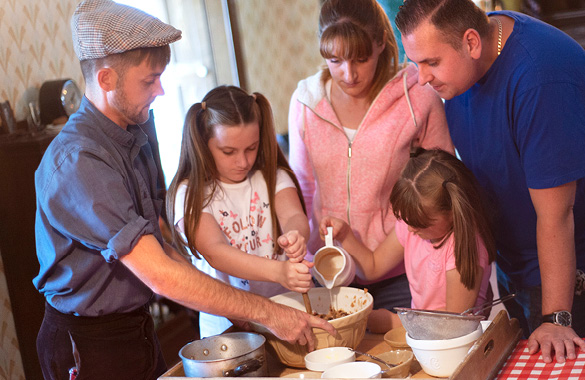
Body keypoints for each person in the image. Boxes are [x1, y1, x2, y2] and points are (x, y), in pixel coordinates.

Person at [33, 1, 333, 379]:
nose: (160, 90)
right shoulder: (80, 161)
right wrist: (268, 312)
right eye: (149, 80)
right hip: (88, 342)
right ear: (106, 79)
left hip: (136, 328)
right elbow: (158, 272)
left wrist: (253, 313)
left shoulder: (132, 138)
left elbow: (164, 250)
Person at [395, 0, 585, 364]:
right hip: (517, 260)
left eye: (431, 62)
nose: (422, 77)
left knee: (570, 366)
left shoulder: (541, 77)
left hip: (574, 267)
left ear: (472, 43)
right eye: (415, 62)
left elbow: (557, 214)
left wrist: (556, 317)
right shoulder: (463, 61)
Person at [288, 0, 455, 329]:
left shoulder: (416, 95)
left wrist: (389, 253)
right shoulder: (306, 102)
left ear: (381, 42)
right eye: (335, 60)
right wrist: (302, 251)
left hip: (401, 275)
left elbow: (442, 184)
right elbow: (302, 187)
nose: (348, 75)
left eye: (360, 59)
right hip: (329, 274)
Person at [167, 86, 314, 338]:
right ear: (204, 143)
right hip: (226, 331)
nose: (243, 162)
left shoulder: (273, 176)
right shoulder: (190, 192)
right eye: (229, 152)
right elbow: (216, 252)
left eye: (251, 148)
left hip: (287, 316)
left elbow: (294, 216)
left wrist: (296, 235)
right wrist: (279, 272)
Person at [320, 149, 495, 332]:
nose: (411, 229)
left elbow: (453, 324)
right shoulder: (413, 226)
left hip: (453, 344)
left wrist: (394, 323)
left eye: (421, 224)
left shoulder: (463, 249)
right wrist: (345, 236)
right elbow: (372, 266)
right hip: (421, 337)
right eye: (408, 221)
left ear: (452, 213)